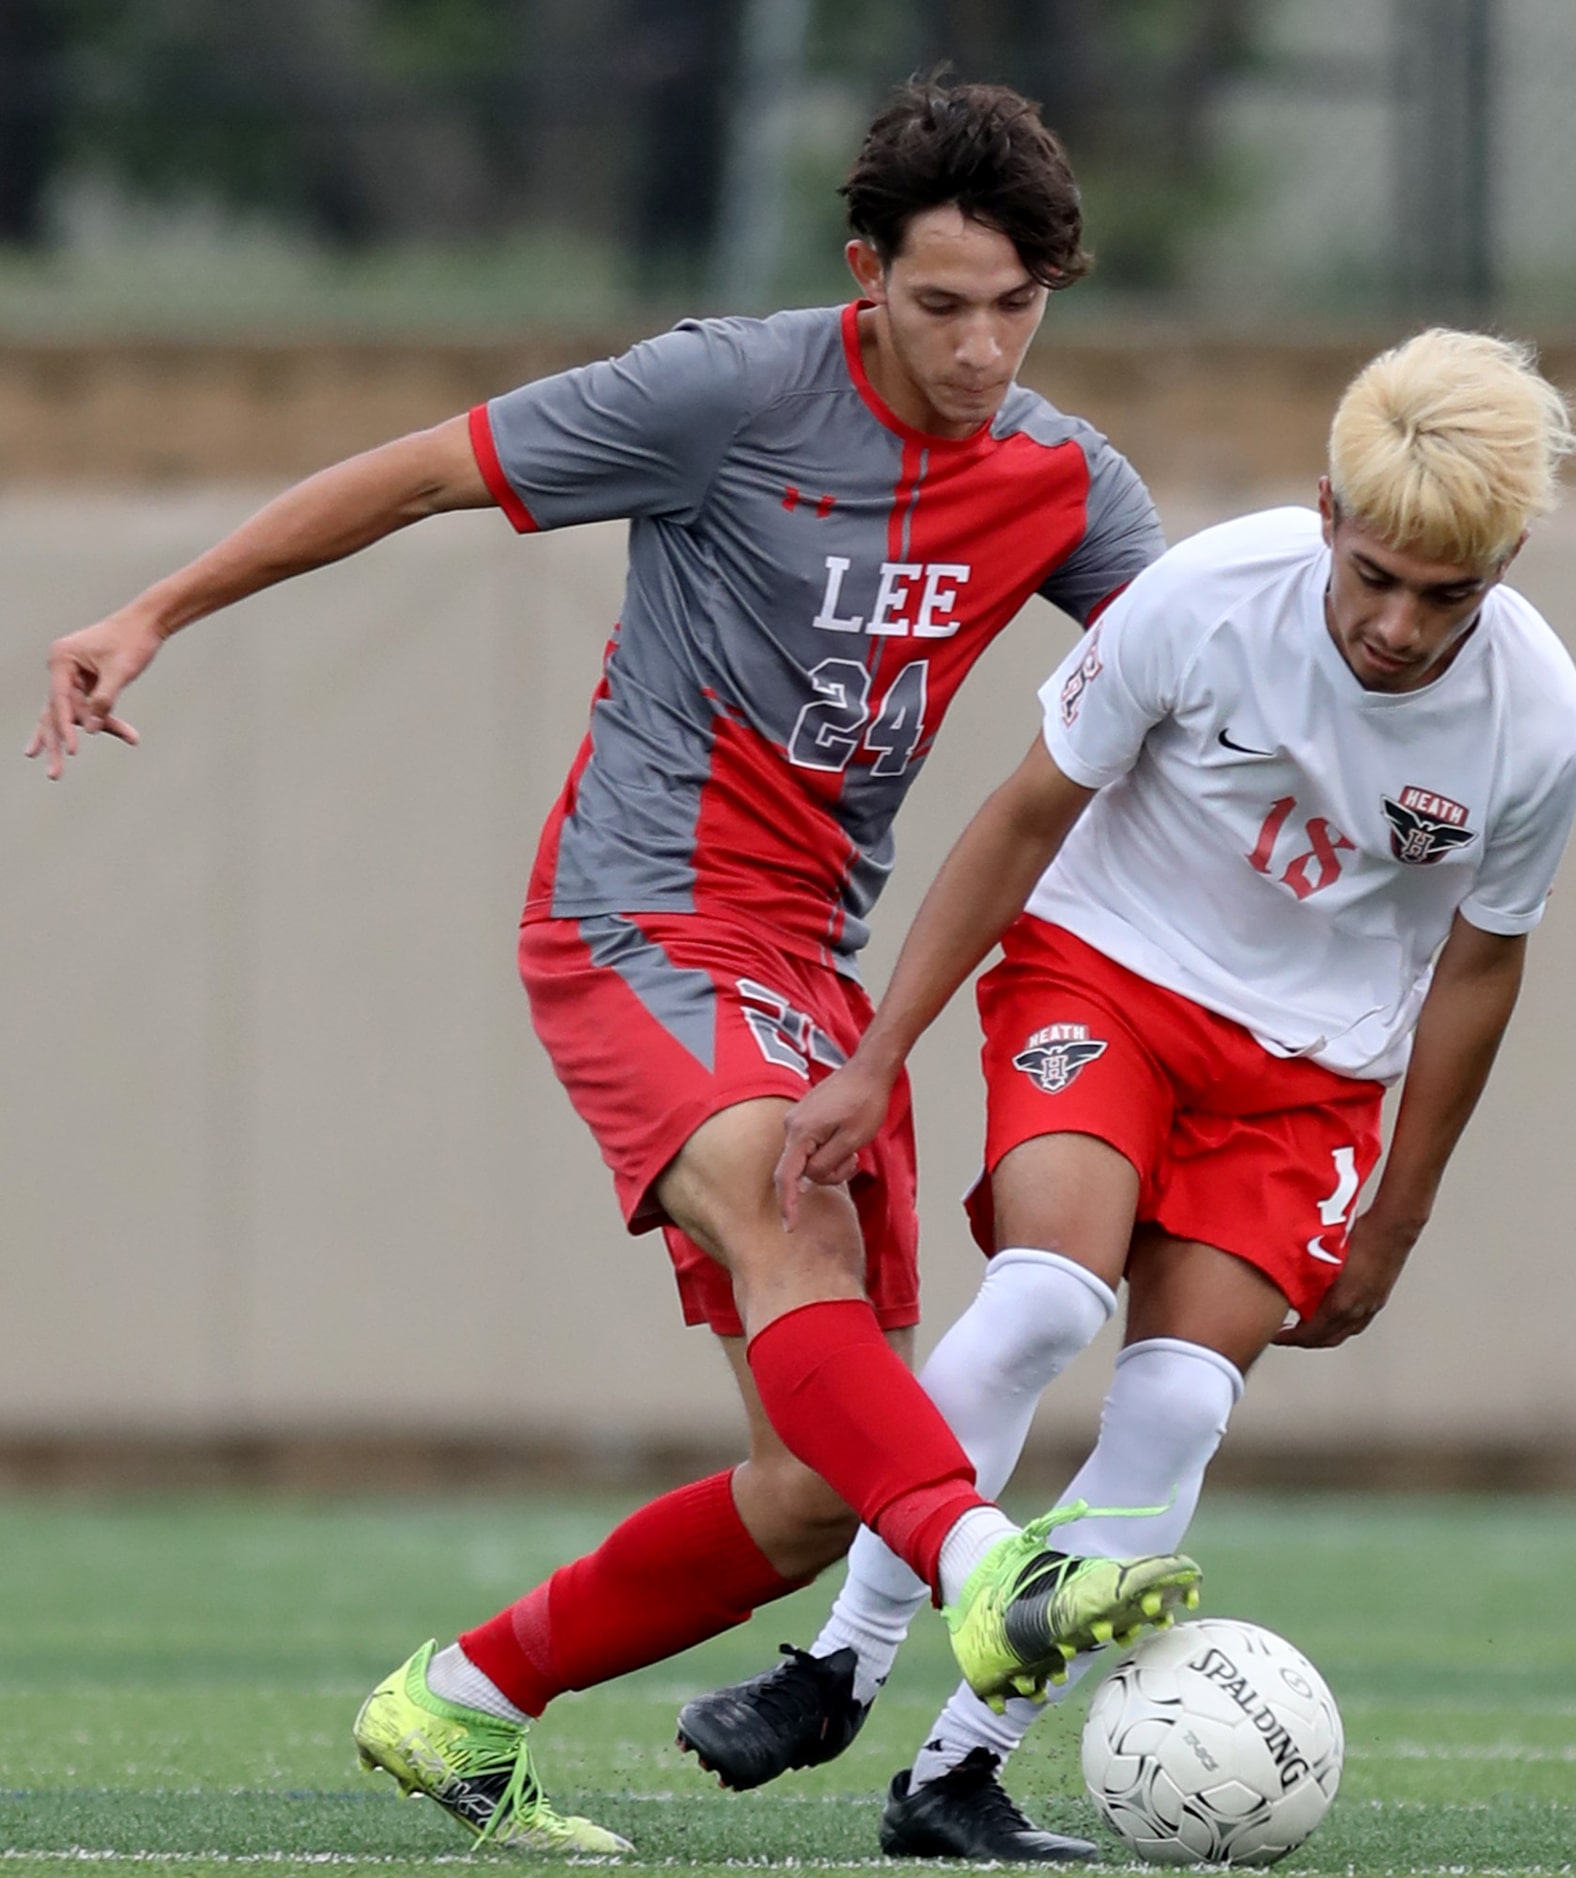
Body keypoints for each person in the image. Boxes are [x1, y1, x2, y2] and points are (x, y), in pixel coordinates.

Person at [27, 78, 1203, 1858]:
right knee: (785, 1231)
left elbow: (1215, 673)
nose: (978, 346)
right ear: (860, 273)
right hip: (639, 915)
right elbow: (421, 471)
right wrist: (152, 611)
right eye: (939, 302)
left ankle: (464, 1701)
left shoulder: (1059, 481)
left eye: (1016, 308)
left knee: (817, 1490)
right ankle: (986, 1571)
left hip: (815, 965)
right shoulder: (723, 389)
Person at [676, 327, 1576, 1861]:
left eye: (1445, 596)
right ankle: (836, 1662)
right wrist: (874, 1050)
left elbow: (1477, 974)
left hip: (1305, 1084)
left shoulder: (1540, 726)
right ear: (1324, 510)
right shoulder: (1208, 595)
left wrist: (1396, 1218)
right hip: (1105, 980)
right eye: (1370, 574)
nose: (1393, 625)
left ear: (1500, 564)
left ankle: (958, 1773)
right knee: (1041, 1300)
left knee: (1174, 1398)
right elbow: (1026, 810)